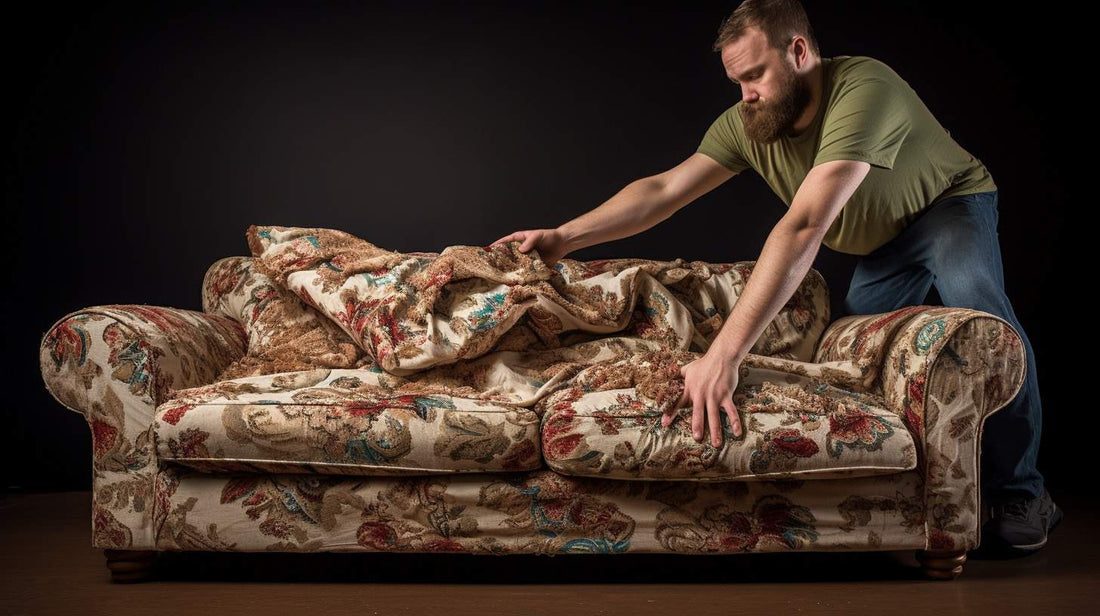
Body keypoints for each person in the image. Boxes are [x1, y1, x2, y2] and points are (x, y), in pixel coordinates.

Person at [489, 0, 1060, 557]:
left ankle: (1022, 495)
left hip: (946, 207)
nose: (747, 95)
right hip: (882, 247)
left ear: (799, 50)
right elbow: (663, 190)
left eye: (756, 75)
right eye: (737, 82)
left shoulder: (865, 87)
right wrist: (565, 237)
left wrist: (724, 355)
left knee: (983, 316)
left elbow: (806, 223)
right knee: (860, 357)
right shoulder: (752, 122)